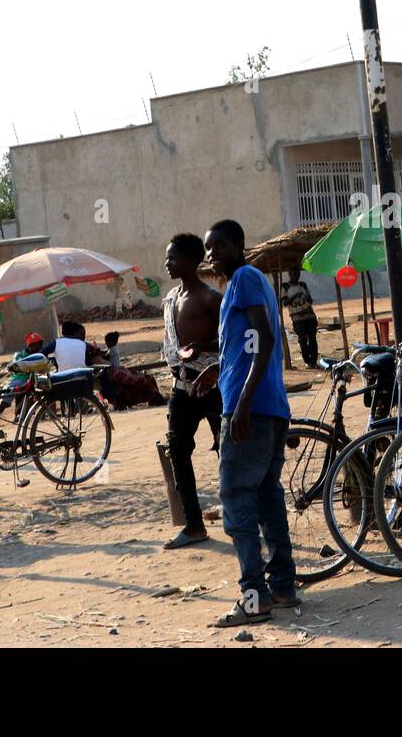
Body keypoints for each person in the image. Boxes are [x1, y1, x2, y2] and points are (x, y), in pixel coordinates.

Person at [204, 219, 297, 626]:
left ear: (240, 245)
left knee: (237, 495)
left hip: (252, 410)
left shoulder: (243, 278)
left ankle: (254, 595)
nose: (212, 254)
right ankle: (282, 587)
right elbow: (250, 343)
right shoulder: (246, 283)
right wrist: (220, 369)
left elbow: (264, 338)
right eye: (209, 248)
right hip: (268, 407)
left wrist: (240, 402)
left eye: (219, 246)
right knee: (266, 496)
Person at [161, 232, 225, 550]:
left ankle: (245, 515)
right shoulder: (172, 298)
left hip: (213, 384)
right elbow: (171, 345)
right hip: (183, 388)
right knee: (178, 453)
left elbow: (235, 337)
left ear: (191, 260)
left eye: (173, 257)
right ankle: (194, 525)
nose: (167, 263)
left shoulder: (211, 298)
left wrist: (203, 348)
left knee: (230, 450)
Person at [0, 331, 44, 427]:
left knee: (28, 396)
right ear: (31, 346)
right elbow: (17, 367)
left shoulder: (38, 355)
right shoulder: (19, 355)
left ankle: (20, 415)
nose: (41, 347)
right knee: (5, 401)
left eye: (40, 344)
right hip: (16, 381)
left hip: (28, 381)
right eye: (39, 345)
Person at [280, 267, 319, 368]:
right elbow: (285, 303)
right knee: (302, 340)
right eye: (295, 274)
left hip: (310, 316)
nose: (297, 276)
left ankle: (313, 361)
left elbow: (310, 301)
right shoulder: (285, 286)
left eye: (298, 274)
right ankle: (307, 361)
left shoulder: (303, 284)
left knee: (312, 340)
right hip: (298, 318)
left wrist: (307, 298)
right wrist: (296, 295)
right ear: (290, 274)